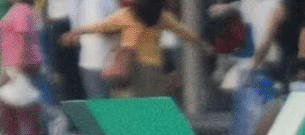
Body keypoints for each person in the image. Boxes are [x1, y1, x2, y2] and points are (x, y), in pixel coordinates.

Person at [61, 0, 212, 98]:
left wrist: (75, 32)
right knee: (152, 107)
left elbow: (99, 26)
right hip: (152, 70)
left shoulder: (127, 15)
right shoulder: (161, 17)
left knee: (127, 101)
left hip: (127, 66)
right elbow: (185, 32)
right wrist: (202, 44)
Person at [0, 0, 42, 135]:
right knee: (14, 101)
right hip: (15, 62)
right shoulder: (17, 9)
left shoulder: (21, 10)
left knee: (22, 101)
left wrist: (18, 63)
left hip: (23, 63)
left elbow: (23, 37)